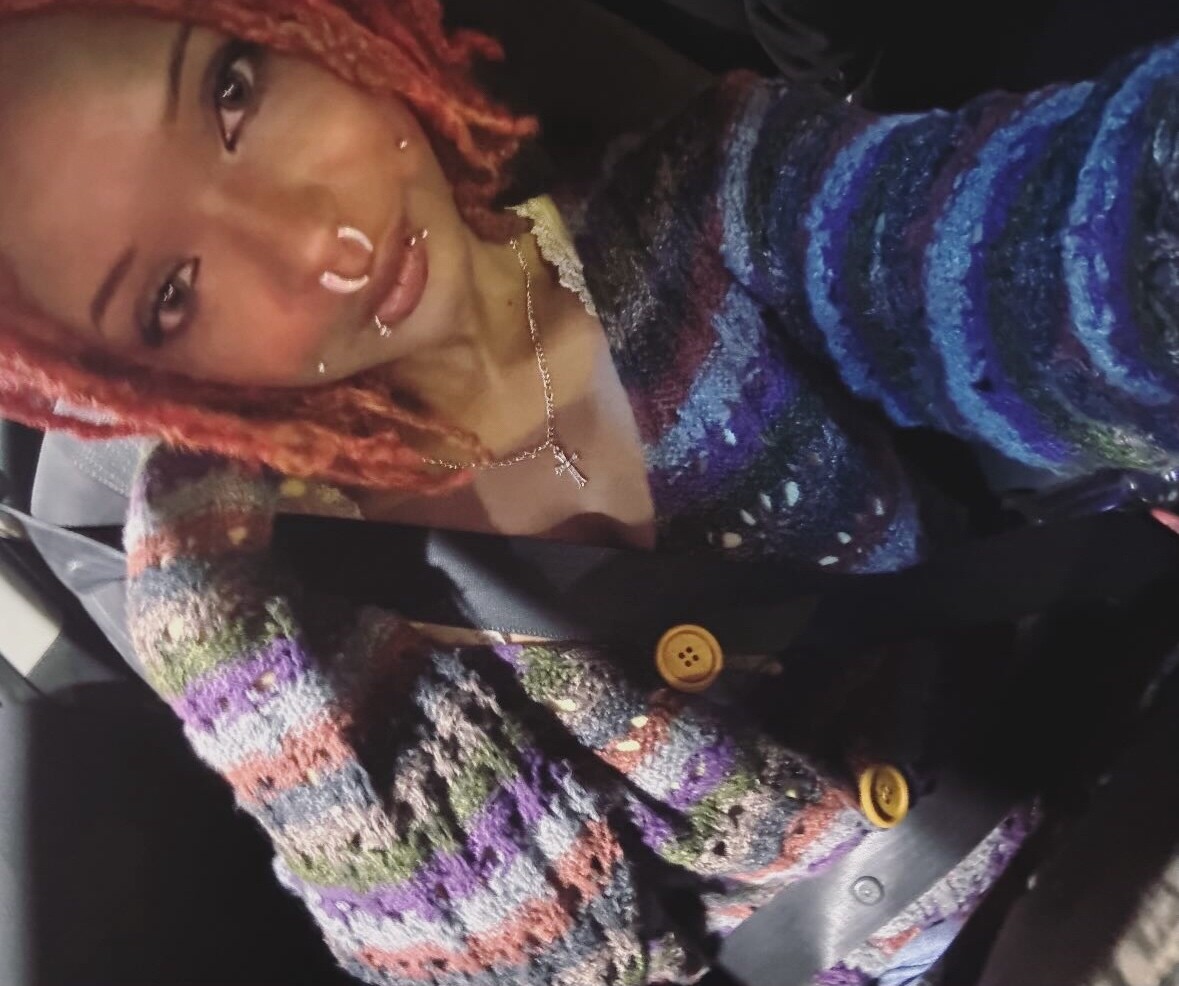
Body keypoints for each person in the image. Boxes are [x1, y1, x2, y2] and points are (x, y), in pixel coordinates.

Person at [1, 1, 1178, 983]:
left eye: (233, 95)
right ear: (144, 384)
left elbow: (1043, 248)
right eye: (172, 293)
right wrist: (246, 646)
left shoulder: (709, 203)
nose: (320, 242)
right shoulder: (285, 609)